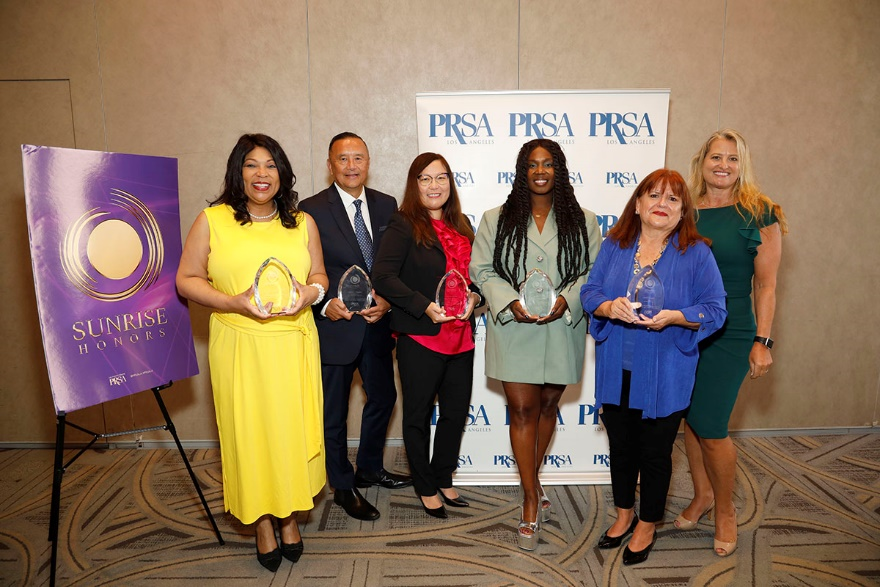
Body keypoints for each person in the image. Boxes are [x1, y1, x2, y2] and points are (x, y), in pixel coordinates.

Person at [176, 134, 328, 572]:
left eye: (270, 166)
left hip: (292, 342)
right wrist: (233, 301)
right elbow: (186, 280)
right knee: (249, 434)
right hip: (239, 344)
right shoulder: (213, 220)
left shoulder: (302, 222)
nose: (262, 174)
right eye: (251, 165)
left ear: (282, 173)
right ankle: (262, 522)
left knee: (289, 431)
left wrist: (310, 293)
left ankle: (290, 515)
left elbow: (319, 273)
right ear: (237, 172)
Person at [580, 169, 727, 565]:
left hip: (665, 374)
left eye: (673, 199)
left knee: (656, 454)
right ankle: (624, 513)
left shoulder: (697, 254)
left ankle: (647, 524)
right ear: (639, 204)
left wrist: (677, 316)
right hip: (616, 369)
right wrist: (609, 306)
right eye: (654, 196)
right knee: (621, 448)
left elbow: (716, 310)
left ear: (683, 212)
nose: (662, 204)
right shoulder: (615, 244)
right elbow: (589, 292)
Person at [470, 138, 601, 550]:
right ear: (522, 171)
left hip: (563, 329)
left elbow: (593, 273)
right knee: (523, 409)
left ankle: (533, 477)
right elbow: (481, 268)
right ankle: (530, 499)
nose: (540, 171)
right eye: (532, 165)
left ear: (559, 170)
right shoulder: (496, 218)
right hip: (514, 328)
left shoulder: (585, 220)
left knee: (547, 406)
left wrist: (569, 300)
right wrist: (510, 301)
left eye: (547, 164)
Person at [676, 129, 787, 557]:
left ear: (743, 165)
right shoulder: (686, 210)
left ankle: (725, 509)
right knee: (688, 416)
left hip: (732, 331)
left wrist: (763, 340)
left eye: (733, 158)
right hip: (685, 328)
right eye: (716, 157)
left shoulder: (760, 212)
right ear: (702, 162)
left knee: (712, 424)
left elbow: (768, 285)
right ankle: (702, 494)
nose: (723, 165)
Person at [299, 132, 411, 522]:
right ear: (330, 165)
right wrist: (324, 303)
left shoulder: (386, 204)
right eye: (343, 159)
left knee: (383, 398)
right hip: (335, 327)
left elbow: (391, 264)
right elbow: (305, 268)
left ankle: (368, 467)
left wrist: (387, 300)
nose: (351, 166)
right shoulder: (309, 209)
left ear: (368, 162)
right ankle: (342, 485)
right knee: (333, 412)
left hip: (376, 324)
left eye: (358, 158)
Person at [372, 152, 481, 520]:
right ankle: (424, 484)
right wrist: (423, 306)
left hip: (461, 337)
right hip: (421, 337)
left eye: (441, 178)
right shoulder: (403, 224)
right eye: (425, 179)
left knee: (454, 414)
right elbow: (383, 277)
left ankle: (443, 474)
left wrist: (475, 297)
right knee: (417, 416)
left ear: (450, 183)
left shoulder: (464, 224)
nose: (434, 186)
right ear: (414, 185)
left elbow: (477, 275)